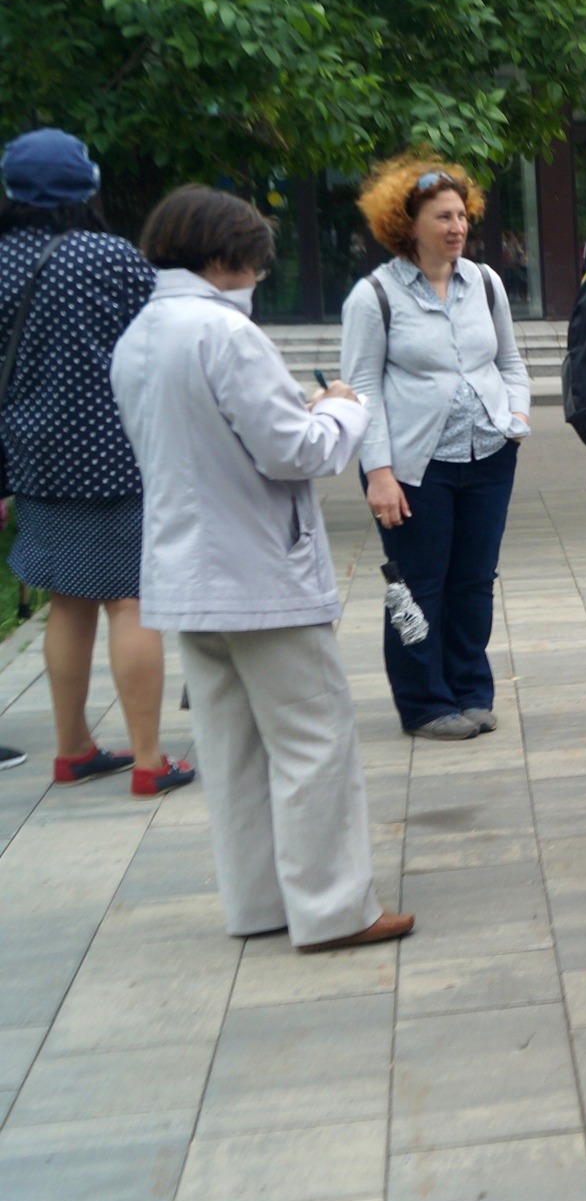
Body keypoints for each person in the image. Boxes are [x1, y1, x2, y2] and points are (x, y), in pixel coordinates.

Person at [114, 186, 412, 952]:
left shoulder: (141, 332)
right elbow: (295, 451)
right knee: (314, 740)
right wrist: (342, 407)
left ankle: (259, 903)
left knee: (232, 750)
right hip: (259, 571)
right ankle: (335, 909)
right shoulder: (225, 333)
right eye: (253, 261)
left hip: (186, 570)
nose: (256, 274)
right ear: (226, 257)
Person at [0, 129, 192, 796]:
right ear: (86, 187)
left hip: (32, 456)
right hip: (115, 454)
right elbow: (163, 335)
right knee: (130, 600)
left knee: (67, 599)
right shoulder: (108, 256)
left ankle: (73, 748)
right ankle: (149, 760)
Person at [339, 156, 531, 742]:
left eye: (461, 215)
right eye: (442, 217)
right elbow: (362, 390)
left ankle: (470, 689)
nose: (457, 227)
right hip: (413, 468)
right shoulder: (374, 295)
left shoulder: (485, 282)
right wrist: (378, 472)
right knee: (419, 585)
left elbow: (509, 361)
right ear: (408, 224)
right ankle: (424, 703)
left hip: (488, 455)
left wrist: (517, 415)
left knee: (473, 581)